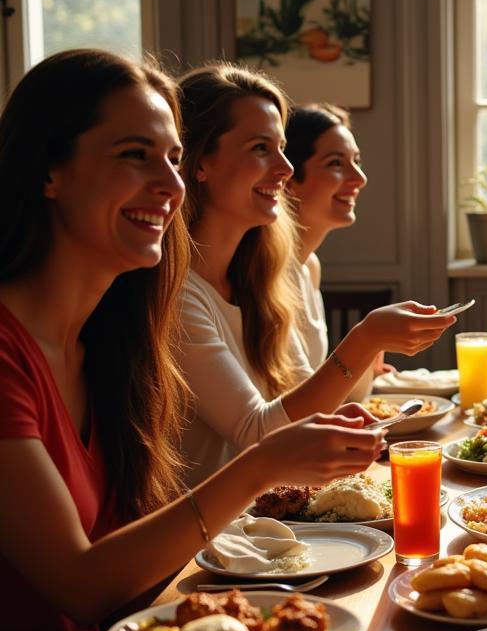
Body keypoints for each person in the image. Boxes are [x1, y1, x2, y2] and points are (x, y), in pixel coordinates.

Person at [0, 50, 384, 631]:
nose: (168, 184)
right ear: (48, 170)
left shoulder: (114, 341)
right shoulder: (8, 354)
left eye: (173, 157)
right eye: (135, 155)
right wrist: (261, 466)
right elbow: (80, 587)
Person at [176, 66, 456, 485]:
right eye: (259, 148)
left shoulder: (259, 279)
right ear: (200, 163)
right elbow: (257, 434)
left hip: (270, 513)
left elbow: (294, 402)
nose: (284, 169)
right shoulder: (180, 296)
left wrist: (338, 419)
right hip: (214, 539)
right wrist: (365, 340)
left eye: (282, 148)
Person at [283, 101, 487, 392]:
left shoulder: (309, 266)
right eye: (335, 163)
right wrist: (365, 344)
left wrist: (460, 378)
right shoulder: (270, 276)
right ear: (287, 178)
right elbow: (298, 408)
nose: (359, 178)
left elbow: (321, 387)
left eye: (356, 160)